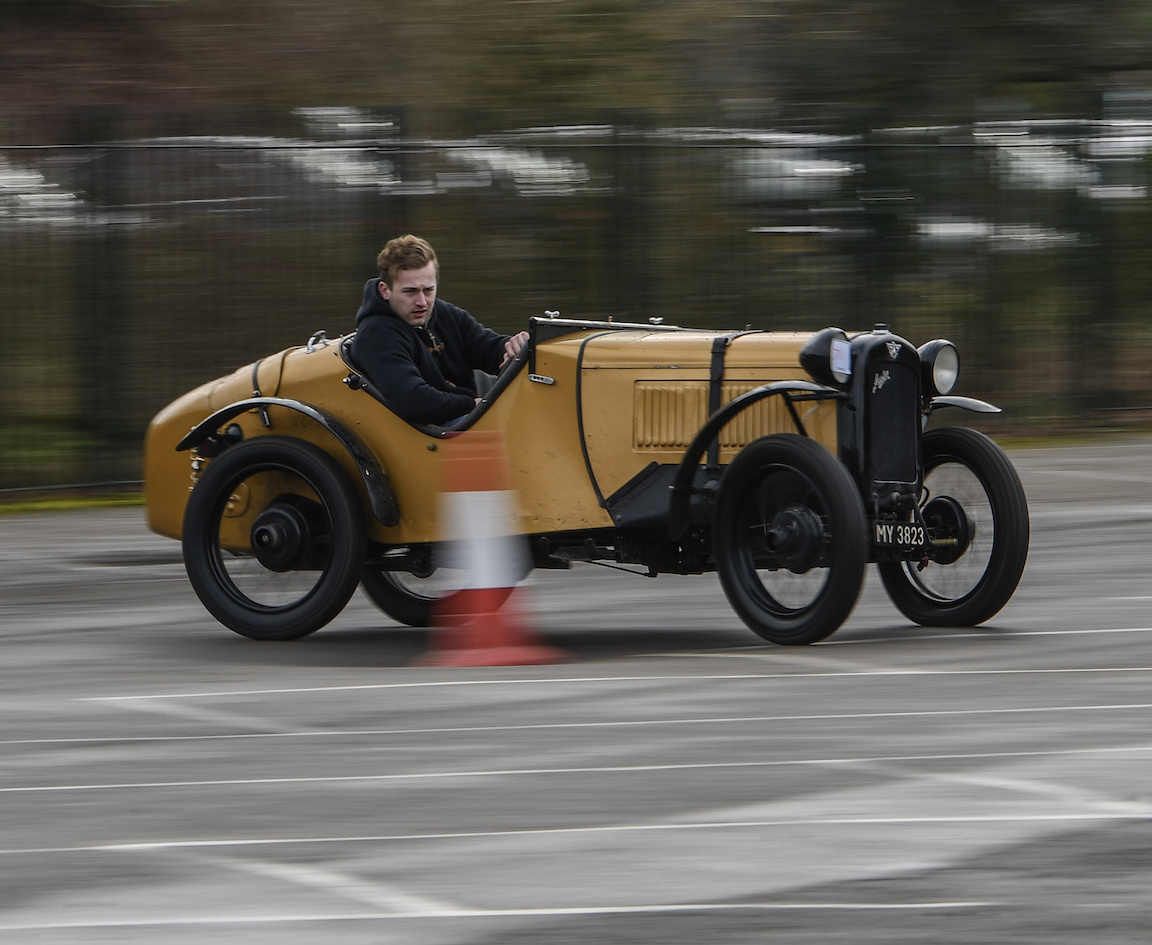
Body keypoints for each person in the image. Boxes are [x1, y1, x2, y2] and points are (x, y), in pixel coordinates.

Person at [352, 235, 529, 426]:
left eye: (428, 290)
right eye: (410, 291)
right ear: (385, 290)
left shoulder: (445, 314)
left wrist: (514, 348)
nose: (422, 302)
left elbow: (486, 347)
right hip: (430, 432)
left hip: (465, 418)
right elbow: (412, 400)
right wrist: (474, 404)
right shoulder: (377, 335)